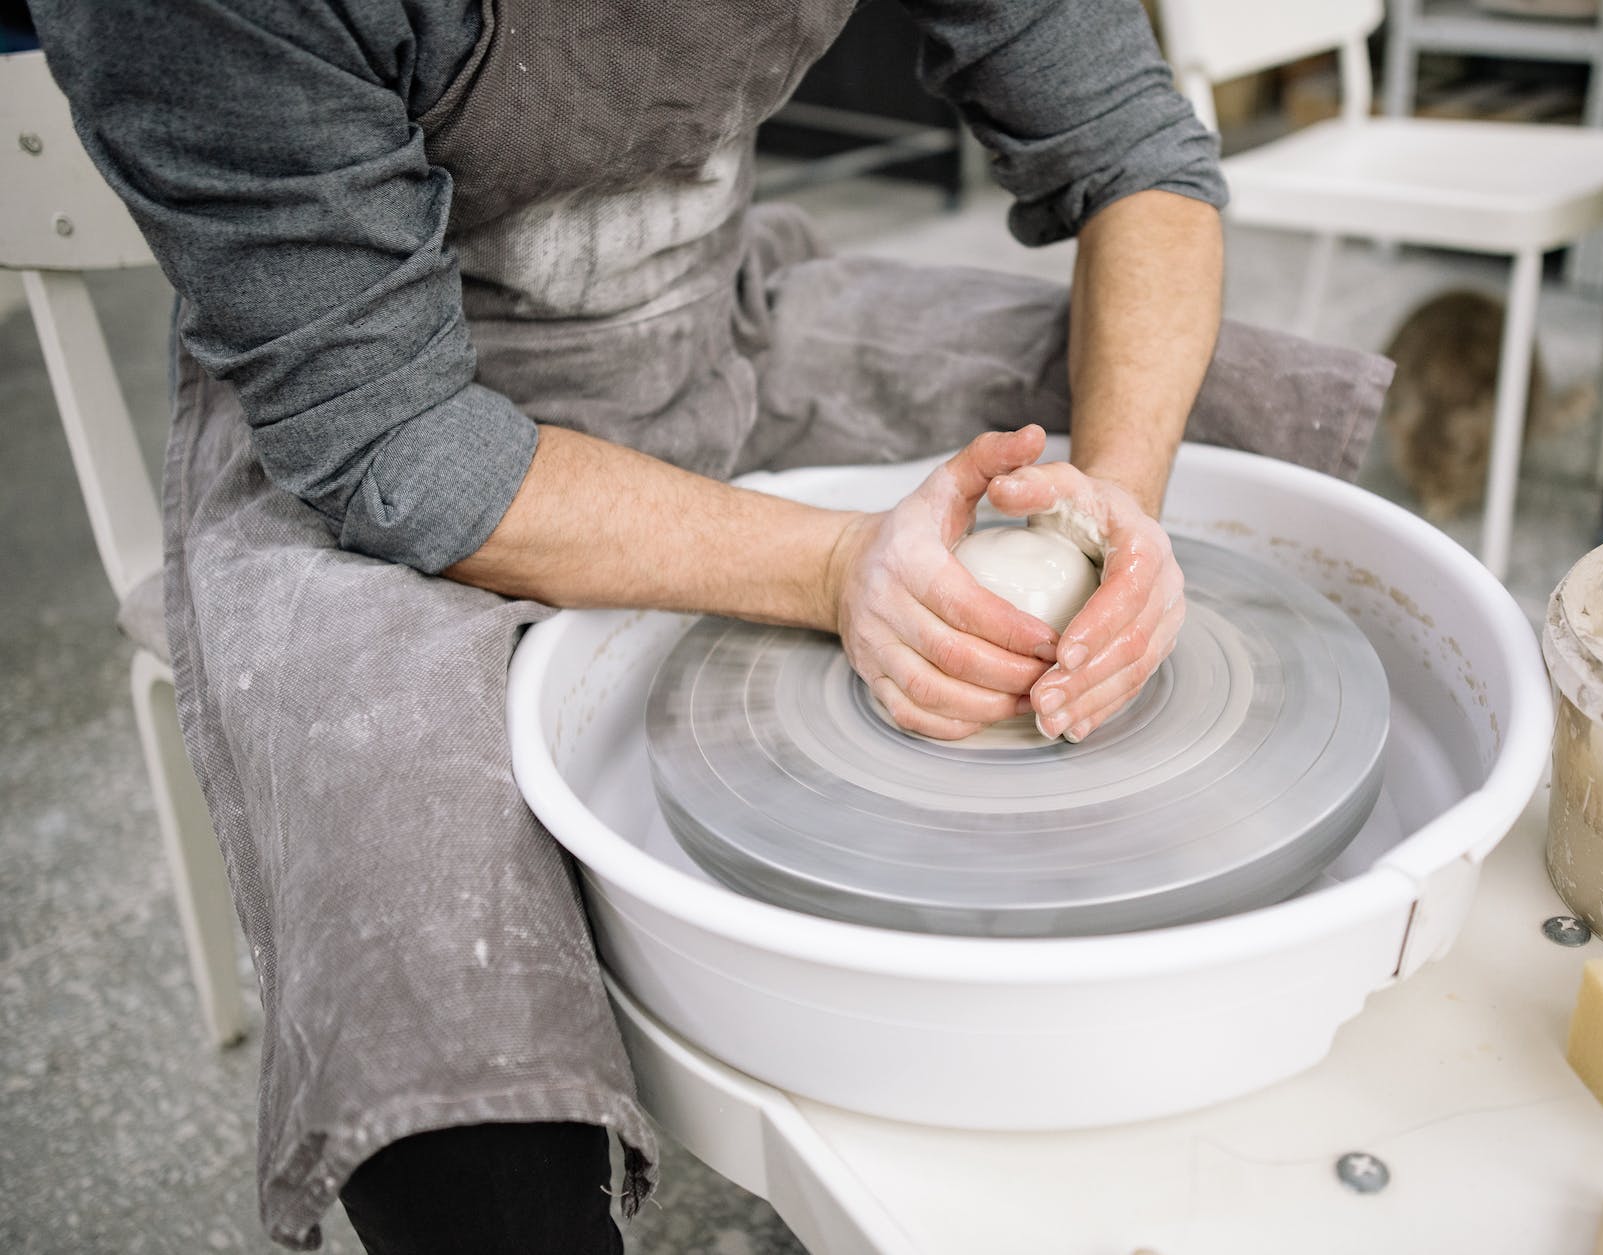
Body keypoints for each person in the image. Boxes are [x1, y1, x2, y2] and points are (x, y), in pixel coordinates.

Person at [31, 0, 1392, 1249]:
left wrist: (1110, 518)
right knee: (440, 994)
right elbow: (392, 438)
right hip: (365, 439)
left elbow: (1141, 159)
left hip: (712, 327)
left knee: (1236, 419)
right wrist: (838, 566)